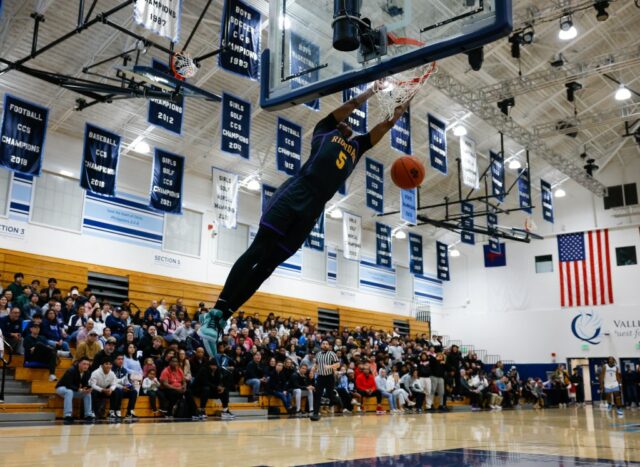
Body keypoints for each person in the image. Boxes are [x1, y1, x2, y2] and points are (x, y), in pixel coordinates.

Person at [209, 84, 414, 324]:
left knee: (268, 266)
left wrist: (406, 101)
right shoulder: (324, 130)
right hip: (296, 192)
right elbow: (349, 106)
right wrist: (371, 91)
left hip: (314, 208)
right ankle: (217, 308)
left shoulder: (357, 148)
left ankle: (226, 314)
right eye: (345, 122)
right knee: (258, 250)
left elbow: (387, 124)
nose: (349, 125)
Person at [55, 357, 94, 423]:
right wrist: (80, 390)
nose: (86, 366)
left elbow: (84, 384)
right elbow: (68, 385)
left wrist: (87, 389)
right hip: (62, 388)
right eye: (84, 364)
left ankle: (88, 415)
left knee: (87, 393)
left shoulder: (87, 372)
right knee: (69, 392)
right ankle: (67, 415)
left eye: (87, 364)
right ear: (79, 364)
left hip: (73, 390)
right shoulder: (71, 370)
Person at [310, 340, 342, 421]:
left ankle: (337, 401)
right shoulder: (318, 354)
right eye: (323, 344)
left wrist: (330, 366)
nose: (325, 345)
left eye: (326, 344)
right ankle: (315, 414)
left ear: (328, 346)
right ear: (321, 345)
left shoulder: (332, 354)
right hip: (320, 377)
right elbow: (316, 364)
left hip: (329, 377)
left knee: (329, 394)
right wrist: (312, 371)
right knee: (317, 395)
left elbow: (338, 364)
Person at [112, 354, 138, 419]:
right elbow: (112, 382)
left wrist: (129, 386)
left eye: (122, 359)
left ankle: (130, 412)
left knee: (134, 391)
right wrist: (122, 387)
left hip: (122, 389)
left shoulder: (124, 370)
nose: (121, 361)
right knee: (119, 390)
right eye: (119, 359)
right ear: (114, 360)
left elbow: (126, 381)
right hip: (113, 389)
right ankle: (117, 410)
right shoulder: (111, 369)